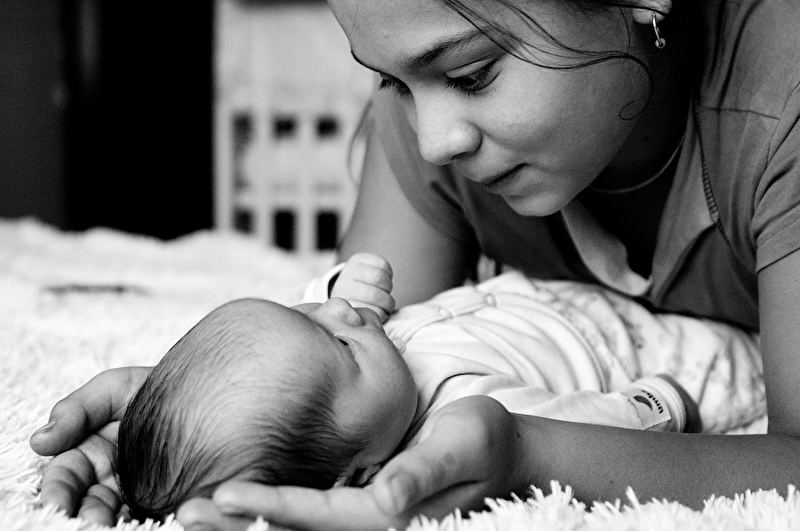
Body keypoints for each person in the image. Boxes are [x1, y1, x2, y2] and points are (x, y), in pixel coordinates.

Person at [29, 0, 800, 528]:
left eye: (471, 74)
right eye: (390, 81)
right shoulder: (429, 131)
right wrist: (201, 420)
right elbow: (372, 365)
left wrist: (525, 452)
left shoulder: (781, 102)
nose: (433, 141)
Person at [117, 262, 759, 521]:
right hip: (656, 349)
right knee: (743, 362)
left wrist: (338, 286)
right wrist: (660, 403)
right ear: (357, 474)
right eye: (338, 342)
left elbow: (317, 321)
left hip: (577, 293)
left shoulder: (370, 375)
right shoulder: (461, 420)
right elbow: (590, 425)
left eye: (303, 313)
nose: (337, 313)